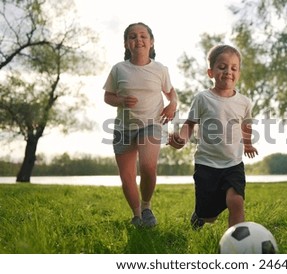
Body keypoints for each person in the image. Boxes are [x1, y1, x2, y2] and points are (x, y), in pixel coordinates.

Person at [168, 44, 258, 229]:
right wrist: (182, 139)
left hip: (233, 164)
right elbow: (190, 124)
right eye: (222, 67)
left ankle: (235, 244)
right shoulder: (203, 98)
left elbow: (246, 125)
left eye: (234, 68)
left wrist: (247, 144)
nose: (228, 72)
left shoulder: (244, 102)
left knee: (236, 201)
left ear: (239, 73)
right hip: (206, 165)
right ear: (211, 72)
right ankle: (200, 216)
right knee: (207, 214)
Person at [103, 22, 177, 228]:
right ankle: (136, 216)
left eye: (143, 36)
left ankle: (146, 207)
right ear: (127, 43)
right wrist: (120, 101)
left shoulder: (160, 69)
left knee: (147, 166)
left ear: (151, 42)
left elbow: (171, 93)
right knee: (127, 178)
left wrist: (173, 105)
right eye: (133, 37)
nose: (139, 40)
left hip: (151, 124)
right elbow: (107, 96)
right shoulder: (118, 69)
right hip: (123, 128)